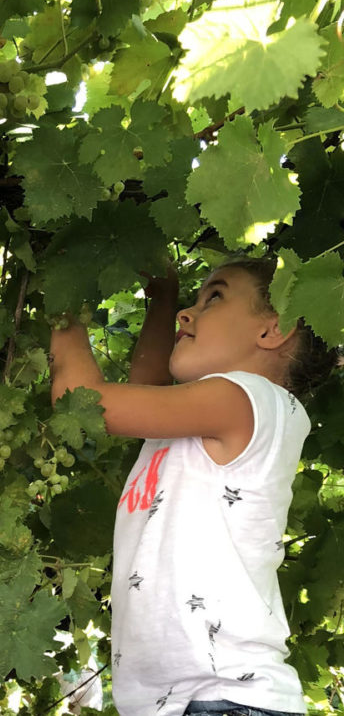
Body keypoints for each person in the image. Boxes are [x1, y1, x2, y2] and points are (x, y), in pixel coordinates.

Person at [49, 258, 339, 716]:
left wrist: (61, 307)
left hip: (225, 698)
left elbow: (85, 405)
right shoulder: (203, 416)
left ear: (273, 328)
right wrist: (163, 293)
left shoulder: (248, 398)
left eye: (215, 297)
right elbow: (147, 383)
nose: (189, 312)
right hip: (192, 701)